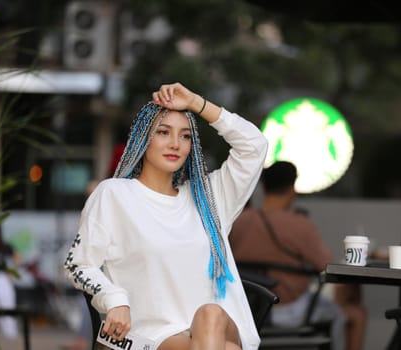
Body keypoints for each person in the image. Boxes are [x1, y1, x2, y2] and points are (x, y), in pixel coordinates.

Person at [63, 82, 268, 350]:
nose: (175, 144)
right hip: (149, 337)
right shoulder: (114, 195)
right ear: (142, 139)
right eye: (163, 132)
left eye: (185, 136)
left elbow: (254, 146)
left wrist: (196, 103)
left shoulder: (209, 198)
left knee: (209, 314)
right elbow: (77, 264)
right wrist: (114, 299)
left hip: (218, 328)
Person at [229, 161, 366, 350]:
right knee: (356, 313)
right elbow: (328, 267)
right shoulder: (300, 225)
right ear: (292, 189)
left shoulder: (238, 221)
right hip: (290, 310)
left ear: (263, 187)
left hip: (248, 311)